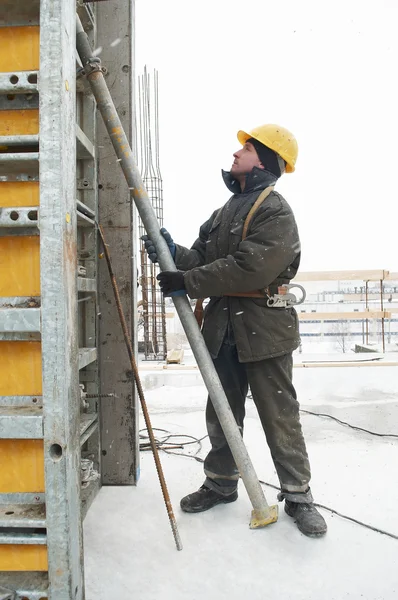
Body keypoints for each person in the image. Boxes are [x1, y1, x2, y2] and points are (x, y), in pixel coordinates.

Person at [142, 124, 327, 537]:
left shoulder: (274, 210)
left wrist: (186, 282)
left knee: (279, 414)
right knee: (222, 411)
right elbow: (203, 260)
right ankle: (221, 483)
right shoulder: (224, 212)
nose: (236, 152)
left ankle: (298, 495)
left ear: (264, 159)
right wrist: (173, 255)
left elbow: (251, 267)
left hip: (264, 329)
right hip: (224, 328)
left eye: (246, 148)